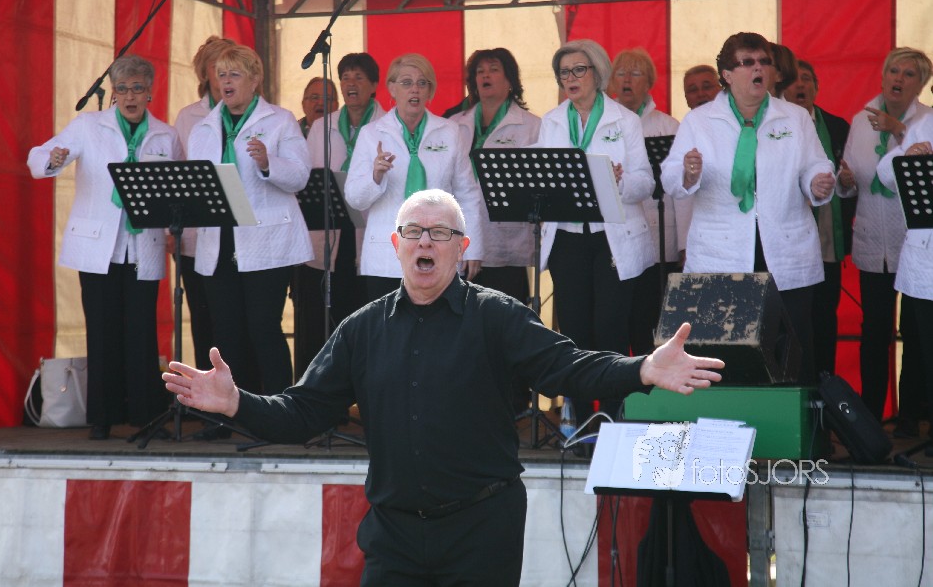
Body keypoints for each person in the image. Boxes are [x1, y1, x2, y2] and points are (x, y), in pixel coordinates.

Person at [162, 188, 726, 586]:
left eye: (439, 233)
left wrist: (641, 369)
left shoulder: (496, 316)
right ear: (395, 244)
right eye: (414, 232)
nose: (424, 242)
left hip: (481, 531)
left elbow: (569, 367)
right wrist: (237, 403)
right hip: (394, 538)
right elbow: (303, 412)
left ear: (461, 247)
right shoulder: (361, 330)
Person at [661, 31, 835, 383]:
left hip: (785, 247)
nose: (758, 69)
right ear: (727, 74)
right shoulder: (699, 120)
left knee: (792, 348)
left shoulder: (795, 117)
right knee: (722, 352)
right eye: (748, 62)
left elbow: (815, 165)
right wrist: (688, 173)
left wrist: (818, 181)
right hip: (719, 252)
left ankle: (794, 416)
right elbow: (671, 178)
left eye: (764, 62)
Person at [27, 54, 180, 440]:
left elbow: (176, 189)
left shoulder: (165, 135)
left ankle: (146, 416)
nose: (129, 96)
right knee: (102, 329)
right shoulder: (88, 125)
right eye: (122, 89)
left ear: (149, 92)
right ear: (112, 92)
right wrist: (53, 159)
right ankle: (103, 416)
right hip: (98, 247)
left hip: (143, 245)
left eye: (137, 89)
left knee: (142, 332)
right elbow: (38, 158)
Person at [536, 39, 656, 426]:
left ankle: (613, 418)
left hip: (612, 239)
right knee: (573, 332)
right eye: (564, 73)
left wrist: (620, 182)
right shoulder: (552, 121)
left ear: (597, 73)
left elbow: (645, 182)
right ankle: (580, 420)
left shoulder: (626, 120)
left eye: (578, 70)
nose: (570, 78)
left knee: (610, 331)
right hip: (567, 238)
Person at [188, 44, 312, 403]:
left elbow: (300, 176)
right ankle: (228, 413)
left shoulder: (280, 120)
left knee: (263, 327)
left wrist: (268, 163)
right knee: (225, 333)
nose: (225, 82)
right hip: (219, 240)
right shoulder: (203, 127)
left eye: (234, 74)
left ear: (255, 79)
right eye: (221, 75)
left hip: (266, 242)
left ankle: (278, 412)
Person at [837, 47, 932, 422]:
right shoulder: (861, 120)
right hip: (872, 241)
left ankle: (910, 417)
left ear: (921, 84)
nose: (899, 78)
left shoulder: (925, 120)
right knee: (874, 331)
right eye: (894, 70)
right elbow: (851, 179)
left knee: (916, 331)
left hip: (914, 247)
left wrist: (898, 130)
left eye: (909, 74)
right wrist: (844, 182)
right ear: (882, 76)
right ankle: (871, 417)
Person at [344, 52, 484, 301]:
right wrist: (375, 176)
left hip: (438, 251)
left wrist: (473, 247)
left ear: (430, 91)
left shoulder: (450, 132)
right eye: (406, 82)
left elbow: (467, 194)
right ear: (392, 88)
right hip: (387, 256)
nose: (415, 90)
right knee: (388, 325)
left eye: (422, 83)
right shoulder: (371, 134)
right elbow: (355, 198)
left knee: (438, 323)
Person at [293, 52, 387, 381]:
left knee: (363, 320)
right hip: (329, 233)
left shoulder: (387, 126)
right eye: (345, 77)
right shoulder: (322, 126)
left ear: (374, 85)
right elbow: (306, 179)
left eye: (359, 77)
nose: (350, 83)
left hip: (368, 233)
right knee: (322, 323)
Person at [607, 47, 692, 356]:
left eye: (635, 74)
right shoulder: (605, 124)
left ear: (649, 82)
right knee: (617, 319)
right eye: (620, 74)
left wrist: (684, 244)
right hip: (618, 240)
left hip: (660, 241)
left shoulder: (669, 127)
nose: (627, 80)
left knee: (651, 321)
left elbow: (683, 194)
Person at [782, 59, 854, 379]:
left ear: (817, 86)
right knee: (792, 320)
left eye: (807, 79)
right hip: (790, 241)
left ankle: (826, 387)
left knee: (825, 315)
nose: (801, 85)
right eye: (794, 80)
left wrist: (847, 183)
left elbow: (850, 180)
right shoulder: (778, 125)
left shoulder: (837, 127)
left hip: (827, 239)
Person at [453, 47, 540, 304]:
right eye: (479, 71)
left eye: (493, 70)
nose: (485, 76)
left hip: (506, 240)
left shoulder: (532, 126)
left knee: (504, 313)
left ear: (510, 80)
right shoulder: (455, 124)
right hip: (463, 233)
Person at [173, 35, 234, 371]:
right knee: (202, 317)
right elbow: (178, 174)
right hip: (196, 237)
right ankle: (205, 391)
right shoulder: (188, 117)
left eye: (230, 65)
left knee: (233, 322)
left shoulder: (255, 112)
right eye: (216, 66)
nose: (224, 73)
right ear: (204, 73)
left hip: (238, 236)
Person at [877, 115, 933, 451]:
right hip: (927, 263)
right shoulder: (925, 125)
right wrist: (907, 157)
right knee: (924, 348)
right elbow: (886, 173)